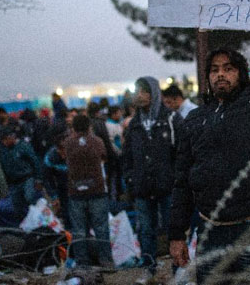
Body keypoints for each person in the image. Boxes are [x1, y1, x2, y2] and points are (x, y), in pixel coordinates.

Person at [170, 33, 250, 285]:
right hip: (210, 234)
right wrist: (176, 235)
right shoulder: (195, 120)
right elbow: (183, 181)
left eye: (228, 69)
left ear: (240, 73)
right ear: (207, 77)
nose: (221, 74)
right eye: (215, 70)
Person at [123, 76, 183, 282]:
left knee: (173, 229)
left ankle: (178, 268)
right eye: (137, 91)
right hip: (142, 187)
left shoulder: (171, 120)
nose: (139, 96)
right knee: (146, 230)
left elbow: (182, 154)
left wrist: (177, 179)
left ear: (154, 93)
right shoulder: (134, 125)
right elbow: (127, 156)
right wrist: (130, 179)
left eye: (144, 91)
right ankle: (149, 267)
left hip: (167, 186)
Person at [64, 114, 112, 267]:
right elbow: (105, 156)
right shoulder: (97, 141)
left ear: (73, 127)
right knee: (101, 229)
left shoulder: (68, 143)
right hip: (97, 190)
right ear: (89, 126)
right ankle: (106, 262)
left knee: (79, 231)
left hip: (76, 192)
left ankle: (82, 263)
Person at [0, 126, 43, 222]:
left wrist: (39, 179)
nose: (4, 142)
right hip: (13, 182)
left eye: (6, 139)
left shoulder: (23, 146)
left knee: (29, 197)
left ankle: (38, 220)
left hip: (27, 178)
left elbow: (35, 162)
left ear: (11, 137)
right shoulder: (3, 150)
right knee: (17, 207)